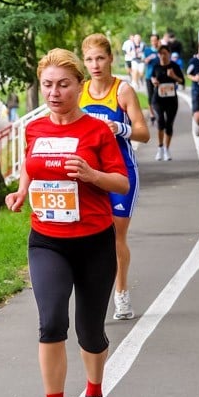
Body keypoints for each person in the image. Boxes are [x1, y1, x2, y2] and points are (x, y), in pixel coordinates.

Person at [5, 49, 129, 397]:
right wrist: (22, 191)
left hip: (94, 242)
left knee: (89, 330)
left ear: (79, 86)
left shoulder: (97, 131)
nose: (55, 92)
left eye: (63, 84)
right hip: (47, 241)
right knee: (52, 322)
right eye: (47, 85)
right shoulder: (36, 129)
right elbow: (30, 163)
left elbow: (121, 183)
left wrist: (93, 174)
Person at [80, 33, 150, 321]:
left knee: (114, 234)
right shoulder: (80, 91)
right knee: (89, 236)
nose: (95, 65)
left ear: (110, 58)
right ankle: (92, 293)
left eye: (100, 58)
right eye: (89, 59)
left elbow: (144, 133)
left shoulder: (123, 91)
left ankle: (120, 292)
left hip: (121, 172)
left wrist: (120, 128)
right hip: (89, 176)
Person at [151, 44, 185, 161]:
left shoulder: (174, 66)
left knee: (169, 124)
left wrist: (174, 76)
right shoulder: (156, 66)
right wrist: (154, 81)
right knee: (160, 120)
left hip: (171, 99)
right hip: (158, 99)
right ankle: (160, 148)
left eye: (164, 53)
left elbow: (182, 81)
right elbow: (152, 77)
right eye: (160, 54)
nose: (162, 56)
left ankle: (166, 149)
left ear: (169, 54)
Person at [143, 33, 161, 124]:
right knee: (150, 95)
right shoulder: (147, 50)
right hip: (149, 76)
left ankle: (160, 111)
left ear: (158, 40)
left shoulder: (161, 50)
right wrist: (149, 58)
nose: (153, 42)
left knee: (159, 94)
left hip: (160, 76)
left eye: (155, 40)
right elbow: (144, 61)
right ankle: (152, 114)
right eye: (152, 40)